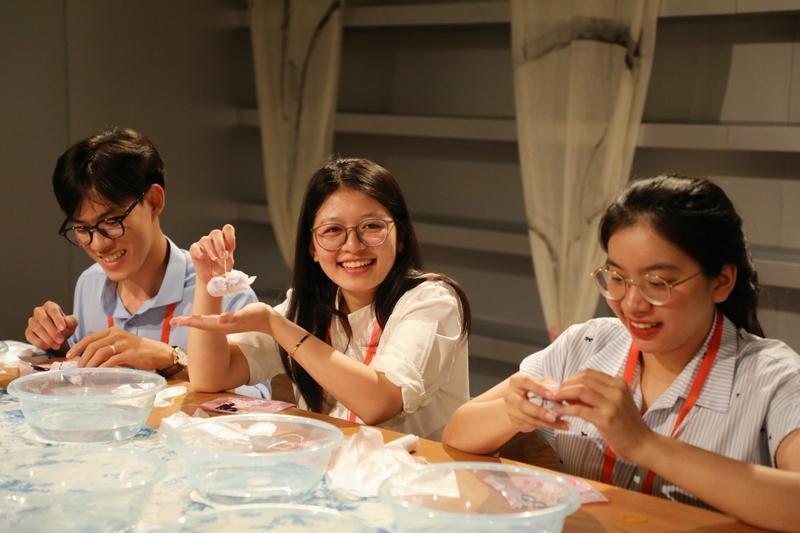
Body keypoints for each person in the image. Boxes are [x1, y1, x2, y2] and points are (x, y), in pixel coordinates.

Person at [442, 175, 800, 529]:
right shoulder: (587, 343)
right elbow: (458, 432)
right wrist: (513, 414)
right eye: (617, 278)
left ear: (720, 282)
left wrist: (645, 444)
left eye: (657, 283)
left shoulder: (773, 377)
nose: (631, 304)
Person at [172, 157, 471, 439]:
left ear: (401, 236)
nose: (353, 246)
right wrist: (209, 282)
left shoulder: (432, 301)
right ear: (312, 247)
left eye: (371, 226)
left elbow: (379, 403)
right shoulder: (310, 305)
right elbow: (210, 377)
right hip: (331, 464)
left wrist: (277, 326)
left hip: (413, 471)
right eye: (333, 230)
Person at [23, 128, 259, 383]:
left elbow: (257, 399)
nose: (99, 244)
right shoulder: (89, 284)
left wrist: (172, 359)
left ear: (155, 201)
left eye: (111, 221)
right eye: (82, 228)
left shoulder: (224, 291)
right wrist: (58, 344)